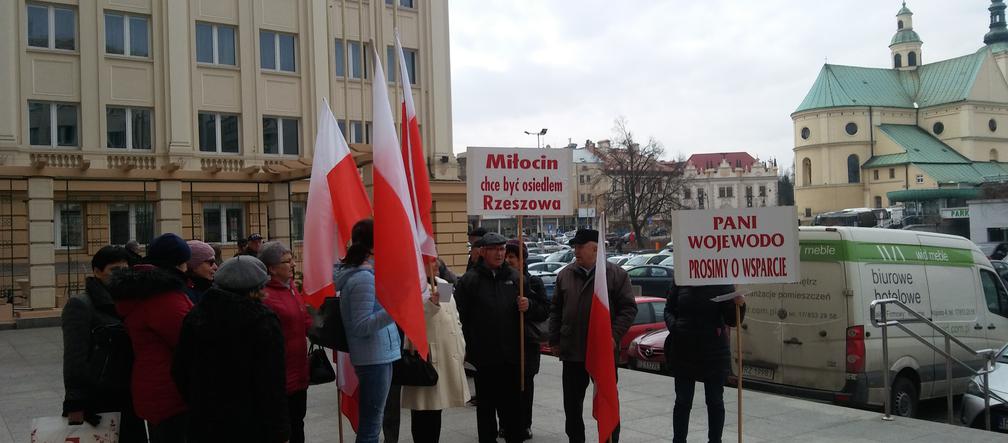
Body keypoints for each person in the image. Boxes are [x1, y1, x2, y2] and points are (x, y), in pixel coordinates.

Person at [172, 256, 290, 443]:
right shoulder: (262, 321)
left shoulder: (196, 315)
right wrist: (280, 430)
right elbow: (271, 383)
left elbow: (180, 370)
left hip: (204, 422)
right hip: (250, 425)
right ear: (259, 287)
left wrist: (199, 401)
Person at [455, 232, 547, 443]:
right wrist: (468, 348)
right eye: (494, 249)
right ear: (483, 252)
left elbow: (543, 310)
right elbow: (460, 317)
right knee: (486, 411)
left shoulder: (517, 279)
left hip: (513, 359)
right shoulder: (470, 281)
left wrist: (529, 305)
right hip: (484, 359)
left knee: (513, 412)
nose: (499, 253)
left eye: (502, 249)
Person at [549, 229, 637, 443]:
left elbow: (628, 309)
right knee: (572, 406)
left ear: (595, 248)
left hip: (602, 352)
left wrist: (614, 336)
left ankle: (609, 439)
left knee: (606, 402)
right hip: (572, 351)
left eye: (581, 246)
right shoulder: (565, 274)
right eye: (575, 247)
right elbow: (556, 310)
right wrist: (554, 339)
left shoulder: (615, 275)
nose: (576, 251)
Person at [109, 233, 194, 442]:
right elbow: (190, 340)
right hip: (172, 391)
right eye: (185, 263)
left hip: (152, 386)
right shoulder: (165, 297)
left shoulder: (143, 291)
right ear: (178, 264)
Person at [62, 245, 147, 442]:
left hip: (127, 393)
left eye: (126, 270)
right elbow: (75, 356)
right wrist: (75, 402)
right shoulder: (81, 305)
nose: (121, 275)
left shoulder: (127, 302)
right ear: (97, 271)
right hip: (99, 397)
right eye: (114, 270)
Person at [387, 261, 470, 443]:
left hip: (447, 355)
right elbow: (409, 322)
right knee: (423, 411)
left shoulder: (442, 284)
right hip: (425, 360)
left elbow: (453, 318)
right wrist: (431, 305)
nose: (436, 264)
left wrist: (460, 345)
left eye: (436, 259)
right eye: (429, 260)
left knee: (436, 410)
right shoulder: (410, 288)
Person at [335, 219, 400, 443]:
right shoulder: (362, 278)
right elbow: (361, 326)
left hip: (380, 355)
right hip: (373, 358)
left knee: (373, 421)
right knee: (371, 426)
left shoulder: (366, 273)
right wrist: (395, 310)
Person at [665, 281, 746, 443]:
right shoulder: (681, 279)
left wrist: (740, 304)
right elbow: (669, 309)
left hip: (714, 352)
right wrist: (676, 327)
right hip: (684, 350)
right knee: (682, 401)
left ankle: (715, 440)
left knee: (715, 401)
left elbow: (731, 320)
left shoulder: (721, 281)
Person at [259, 241, 312, 443]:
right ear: (271, 268)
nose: (293, 265)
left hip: (299, 373)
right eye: (286, 261)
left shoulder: (290, 287)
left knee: (298, 424)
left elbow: (304, 319)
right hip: (280, 377)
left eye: (292, 260)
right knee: (283, 430)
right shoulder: (265, 295)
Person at [503, 240, 548, 441]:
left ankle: (525, 424)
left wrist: (529, 305)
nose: (508, 260)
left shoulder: (534, 283)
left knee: (525, 386)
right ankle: (505, 424)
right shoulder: (500, 280)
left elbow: (544, 310)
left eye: (512, 257)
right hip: (505, 342)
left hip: (527, 344)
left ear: (523, 260)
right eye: (507, 256)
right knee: (505, 385)